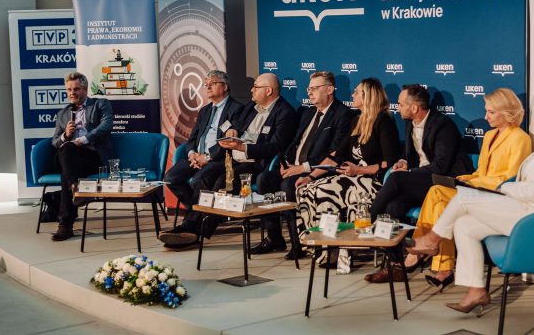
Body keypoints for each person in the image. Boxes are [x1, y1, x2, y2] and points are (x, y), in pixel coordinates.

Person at [409, 96, 534, 314]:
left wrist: (505, 187)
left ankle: (431, 240)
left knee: (463, 198)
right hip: (525, 209)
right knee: (464, 224)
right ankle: (476, 290)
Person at [367, 88, 532, 284]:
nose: (486, 116)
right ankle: (443, 269)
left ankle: (416, 247)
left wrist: (472, 181)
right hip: (475, 188)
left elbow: (509, 179)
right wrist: (467, 178)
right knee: (436, 203)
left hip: (495, 196)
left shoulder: (520, 138)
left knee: (433, 190)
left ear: (507, 112)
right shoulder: (489, 135)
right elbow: (481, 172)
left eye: (491, 112)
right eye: (486, 111)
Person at [161, 72, 297, 248]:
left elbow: (275, 147)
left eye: (256, 87)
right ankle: (190, 225)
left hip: (255, 163)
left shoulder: (285, 113)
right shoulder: (251, 106)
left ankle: (196, 233)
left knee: (222, 184)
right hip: (231, 159)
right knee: (205, 177)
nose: (252, 90)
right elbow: (235, 125)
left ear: (268, 90)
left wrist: (243, 148)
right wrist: (232, 130)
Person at [253, 71, 354, 257]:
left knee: (288, 185)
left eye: (315, 88)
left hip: (318, 170)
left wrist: (303, 168)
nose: (310, 92)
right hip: (293, 166)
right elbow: (290, 143)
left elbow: (334, 152)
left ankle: (298, 244)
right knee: (264, 179)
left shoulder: (343, 114)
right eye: (309, 88)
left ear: (329, 89)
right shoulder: (305, 112)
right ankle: (274, 238)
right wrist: (284, 162)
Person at [295, 77, 399, 237]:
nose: (352, 95)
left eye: (357, 92)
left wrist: (359, 170)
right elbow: (337, 154)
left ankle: (333, 243)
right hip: (353, 177)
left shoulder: (384, 121)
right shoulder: (357, 120)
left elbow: (389, 162)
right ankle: (312, 241)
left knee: (322, 191)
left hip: (372, 180)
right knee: (305, 189)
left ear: (368, 96)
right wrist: (310, 177)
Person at [158, 70, 244, 247]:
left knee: (199, 180)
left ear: (224, 87)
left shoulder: (237, 109)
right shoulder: (205, 110)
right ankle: (199, 215)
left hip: (220, 159)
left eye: (212, 83)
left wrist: (207, 157)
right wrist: (192, 154)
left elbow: (229, 142)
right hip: (197, 157)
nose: (207, 87)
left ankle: (189, 227)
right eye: (206, 84)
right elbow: (192, 138)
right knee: (171, 178)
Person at [368, 84, 472, 222]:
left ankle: (367, 219)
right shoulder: (409, 122)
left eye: (401, 105)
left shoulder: (442, 126)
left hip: (444, 181)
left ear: (414, 108)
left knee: (396, 178)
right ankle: (391, 236)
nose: (397, 108)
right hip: (423, 181)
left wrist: (410, 172)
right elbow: (408, 151)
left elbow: (441, 166)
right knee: (395, 206)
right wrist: (403, 161)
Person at [50, 71, 114, 241]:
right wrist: (66, 135)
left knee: (66, 172)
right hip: (69, 156)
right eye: (69, 90)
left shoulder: (100, 104)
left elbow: (107, 125)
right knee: (66, 149)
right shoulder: (62, 114)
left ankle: (65, 225)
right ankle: (76, 189)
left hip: (92, 157)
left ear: (85, 89)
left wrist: (83, 139)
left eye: (76, 89)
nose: (72, 93)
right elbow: (55, 142)